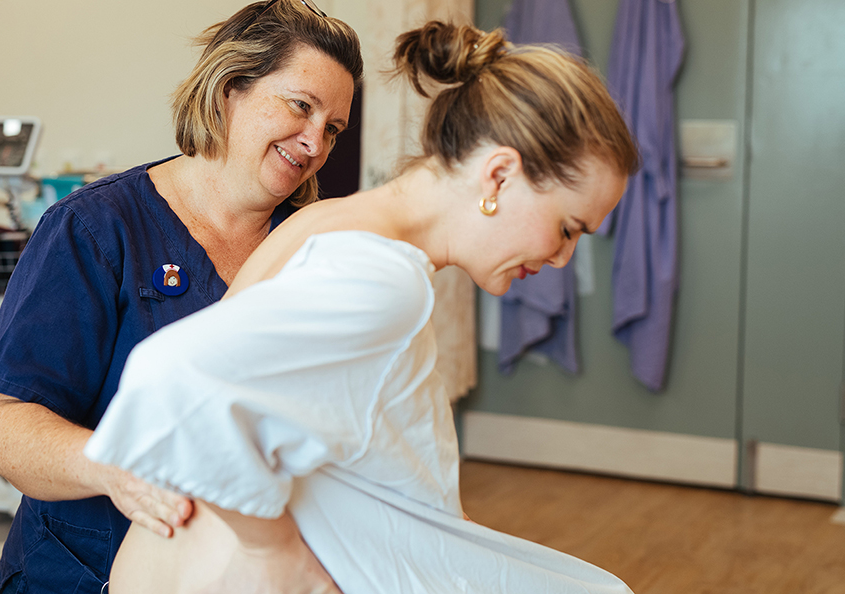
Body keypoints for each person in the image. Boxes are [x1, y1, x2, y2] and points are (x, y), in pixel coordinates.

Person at [85, 20, 639, 594]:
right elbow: (173, 376)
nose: (561, 256)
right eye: (568, 227)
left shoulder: (326, 224)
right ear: (498, 175)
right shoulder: (381, 276)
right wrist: (272, 553)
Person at [0, 1, 363, 592]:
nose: (314, 142)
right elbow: (2, 430)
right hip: (80, 572)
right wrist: (118, 469)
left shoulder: (306, 249)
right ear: (230, 86)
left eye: (331, 129)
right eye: (301, 106)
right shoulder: (97, 229)